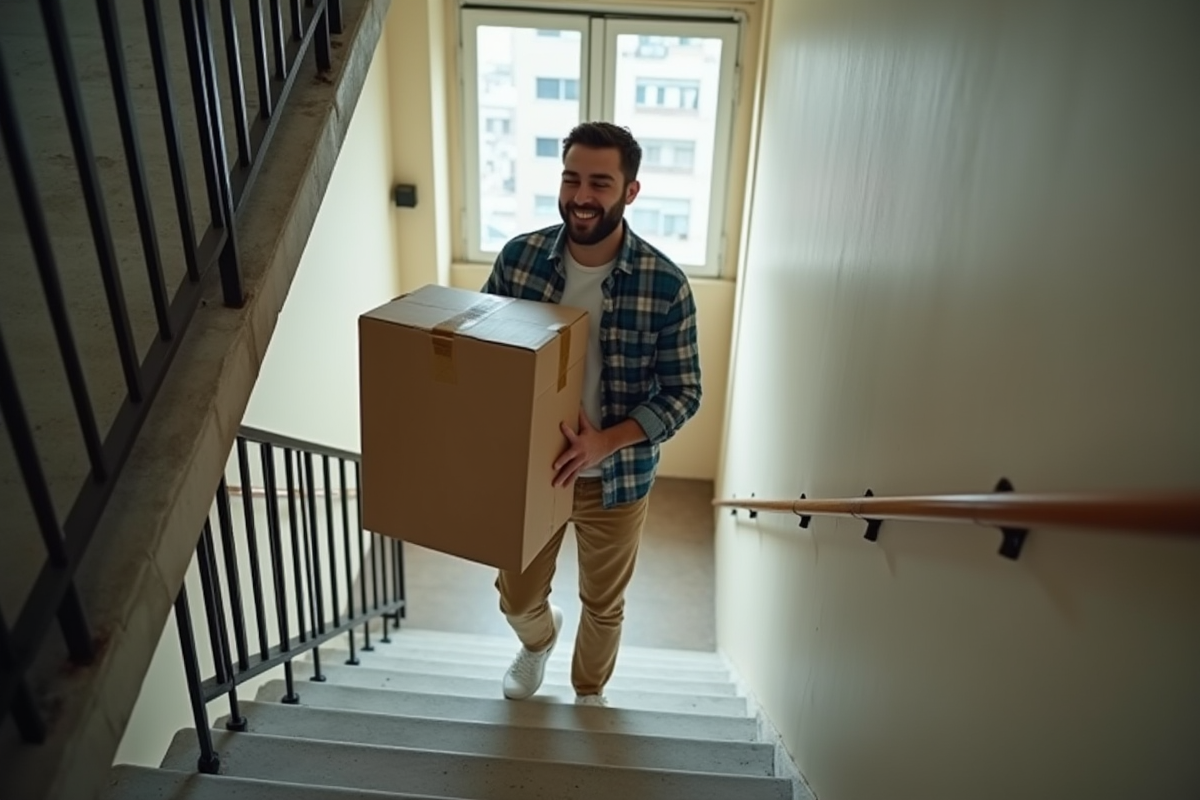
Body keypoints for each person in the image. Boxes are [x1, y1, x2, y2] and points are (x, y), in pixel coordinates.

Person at [481, 121, 702, 707]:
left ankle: (588, 694)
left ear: (629, 191)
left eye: (600, 183)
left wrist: (608, 441)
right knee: (516, 596)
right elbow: (487, 354)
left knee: (603, 604)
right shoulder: (519, 259)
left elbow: (684, 392)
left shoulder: (666, 285)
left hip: (617, 479)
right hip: (533, 471)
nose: (582, 195)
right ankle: (537, 644)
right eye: (572, 177)